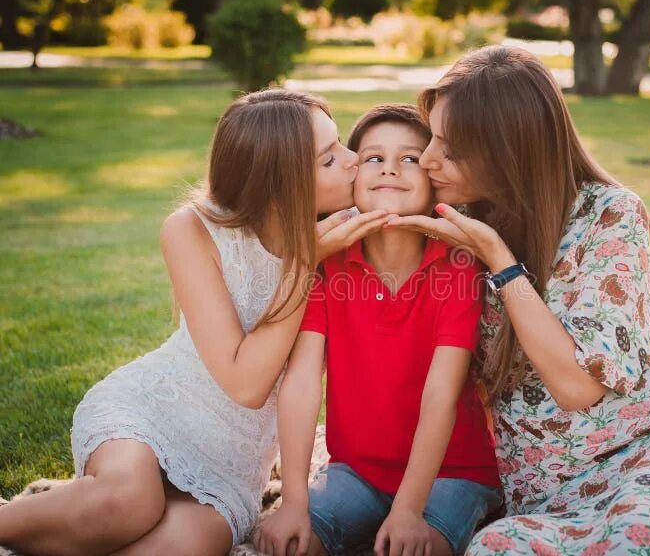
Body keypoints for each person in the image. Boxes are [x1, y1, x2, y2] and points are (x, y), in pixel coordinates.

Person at [387, 45, 650, 555]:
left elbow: (577, 386)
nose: (428, 158)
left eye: (451, 148)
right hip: (554, 493)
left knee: (641, 533)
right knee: (496, 547)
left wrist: (500, 263)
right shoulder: (452, 218)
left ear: (510, 151)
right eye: (432, 136)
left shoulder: (609, 216)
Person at [0, 89, 395, 556]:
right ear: (278, 184)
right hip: (153, 411)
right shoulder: (193, 230)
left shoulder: (350, 235)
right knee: (125, 503)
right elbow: (245, 382)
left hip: (234, 461)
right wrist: (305, 263)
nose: (354, 162)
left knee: (183, 547)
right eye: (329, 160)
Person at [256, 104, 502, 556]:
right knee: (295, 541)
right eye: (373, 158)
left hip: (454, 470)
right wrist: (293, 501)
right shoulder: (328, 264)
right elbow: (303, 380)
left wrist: (408, 509)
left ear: (434, 180)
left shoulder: (457, 267)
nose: (390, 169)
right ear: (352, 176)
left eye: (410, 158)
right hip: (358, 470)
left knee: (413, 547)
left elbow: (441, 392)